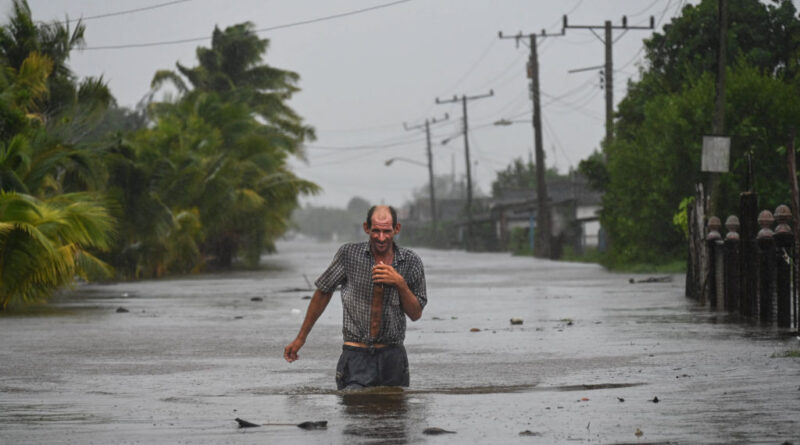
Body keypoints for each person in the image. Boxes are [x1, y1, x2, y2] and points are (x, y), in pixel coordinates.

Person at [283, 205, 427, 390]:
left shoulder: (410, 261)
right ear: (366, 228)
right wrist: (300, 338)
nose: (381, 238)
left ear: (396, 229)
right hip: (355, 354)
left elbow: (416, 314)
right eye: (376, 231)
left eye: (386, 231)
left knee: (393, 415)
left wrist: (399, 283)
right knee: (355, 412)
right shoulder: (349, 255)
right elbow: (323, 292)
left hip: (393, 356)